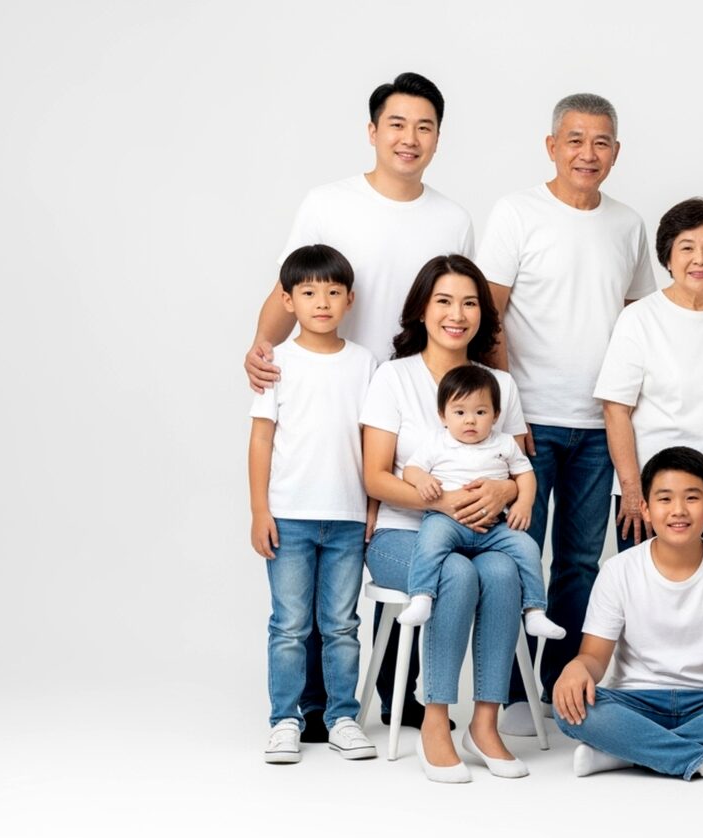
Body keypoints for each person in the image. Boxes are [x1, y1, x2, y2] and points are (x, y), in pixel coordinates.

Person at [242, 71, 474, 738]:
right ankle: (309, 708)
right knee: (324, 539)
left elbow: (459, 307)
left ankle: (389, 697)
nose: (410, 138)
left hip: (414, 396)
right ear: (373, 131)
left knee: (389, 535)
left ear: (437, 138)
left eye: (424, 127)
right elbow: (287, 286)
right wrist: (261, 347)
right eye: (397, 124)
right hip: (331, 385)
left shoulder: (451, 216)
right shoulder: (328, 202)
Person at [477, 93, 657, 731]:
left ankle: (559, 687)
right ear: (551, 146)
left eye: (601, 142)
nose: (588, 153)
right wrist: (508, 411)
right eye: (575, 140)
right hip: (526, 422)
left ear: (616, 152)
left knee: (582, 560)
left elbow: (642, 322)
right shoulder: (516, 213)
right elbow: (489, 315)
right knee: (518, 554)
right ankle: (505, 690)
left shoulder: (629, 225)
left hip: (602, 424)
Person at [360, 255, 531, 782]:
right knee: (455, 573)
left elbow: (518, 465)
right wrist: (439, 502)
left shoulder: (499, 381)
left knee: (502, 573)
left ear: (483, 313)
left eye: (470, 302)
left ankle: (484, 722)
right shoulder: (393, 377)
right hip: (400, 535)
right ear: (421, 310)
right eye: (444, 301)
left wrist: (505, 490)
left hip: (484, 537)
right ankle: (436, 717)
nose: (457, 314)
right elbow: (375, 477)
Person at [552, 447, 703, 783]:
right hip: (636, 700)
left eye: (691, 498)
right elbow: (593, 657)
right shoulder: (618, 570)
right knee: (569, 707)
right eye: (665, 499)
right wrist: (576, 668)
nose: (678, 510)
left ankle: (625, 752)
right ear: (646, 510)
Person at [248, 245, 379, 764]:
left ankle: (341, 717)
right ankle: (285, 720)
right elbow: (262, 439)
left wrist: (372, 507)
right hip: (290, 516)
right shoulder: (278, 363)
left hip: (347, 516)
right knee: (289, 625)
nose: (321, 302)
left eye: (331, 292)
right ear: (288, 299)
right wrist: (260, 510)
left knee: (342, 624)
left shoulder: (365, 362)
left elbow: (374, 440)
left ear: (350, 299)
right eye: (308, 293)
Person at [595, 198, 703, 554]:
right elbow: (616, 411)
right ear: (668, 258)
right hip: (650, 494)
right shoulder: (640, 319)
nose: (700, 259)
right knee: (646, 595)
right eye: (687, 247)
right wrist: (632, 491)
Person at [397, 365, 565, 640]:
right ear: (443, 416)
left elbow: (525, 474)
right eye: (460, 412)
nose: (470, 421)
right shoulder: (436, 442)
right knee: (429, 541)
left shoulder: (505, 443)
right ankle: (422, 598)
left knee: (527, 547)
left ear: (496, 415)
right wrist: (421, 480)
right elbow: (411, 469)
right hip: (447, 520)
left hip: (494, 526)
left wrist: (523, 503)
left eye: (480, 412)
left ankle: (534, 611)